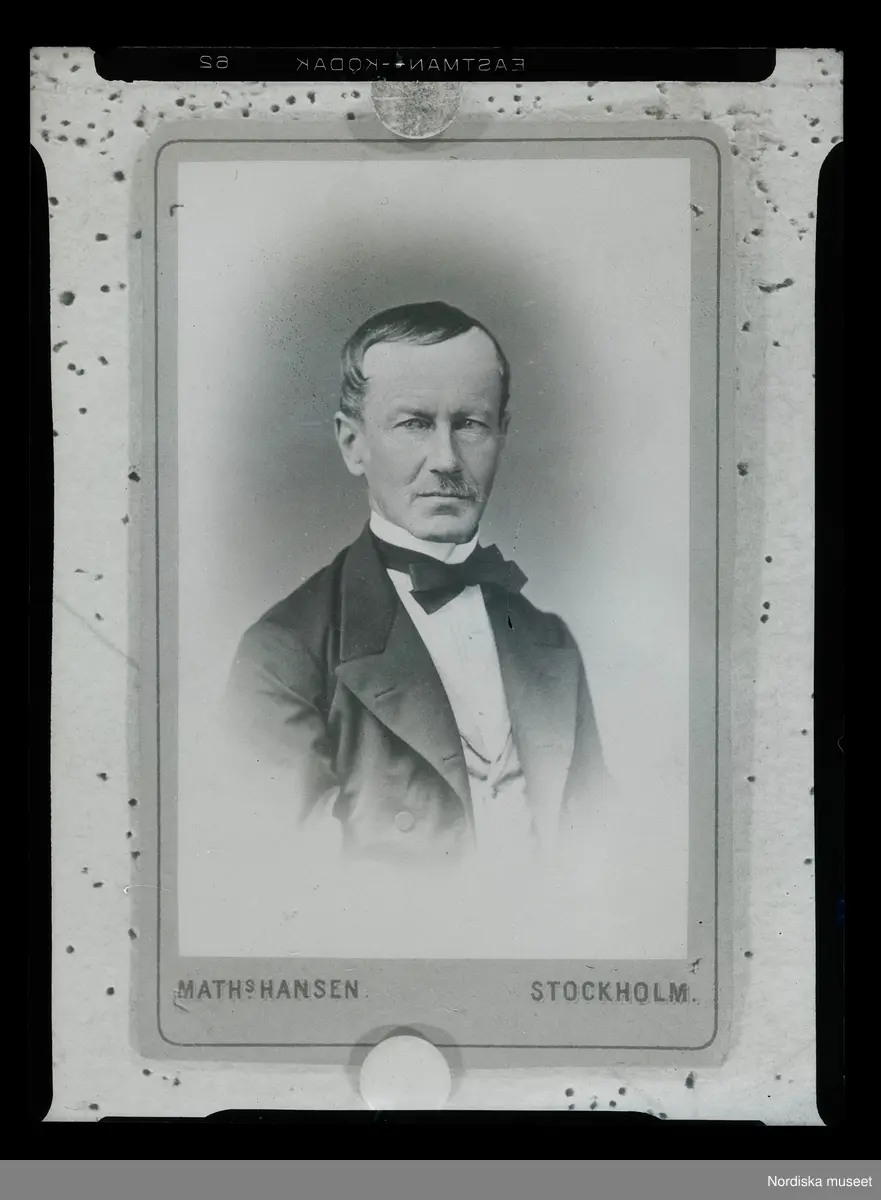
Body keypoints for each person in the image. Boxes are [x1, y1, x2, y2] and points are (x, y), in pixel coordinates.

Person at [223, 301, 611, 873]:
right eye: (414, 423)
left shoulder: (550, 642)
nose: (446, 460)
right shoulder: (283, 656)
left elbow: (604, 855)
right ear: (353, 444)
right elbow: (294, 886)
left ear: (503, 435)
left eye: (471, 423)